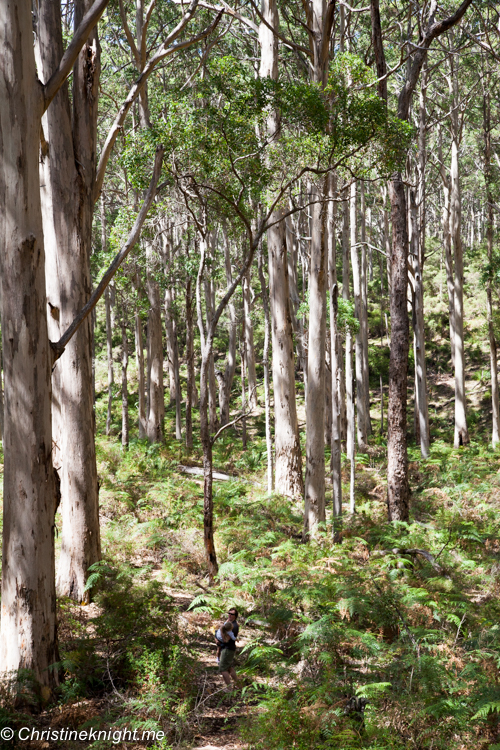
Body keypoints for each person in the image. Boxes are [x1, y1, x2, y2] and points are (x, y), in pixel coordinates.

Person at [215, 608, 239, 690]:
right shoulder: (229, 623)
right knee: (229, 667)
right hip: (227, 649)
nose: (229, 615)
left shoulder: (234, 626)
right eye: (229, 613)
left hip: (228, 649)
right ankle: (239, 685)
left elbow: (226, 640)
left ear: (235, 616)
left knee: (222, 669)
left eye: (232, 614)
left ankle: (229, 689)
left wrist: (221, 631)